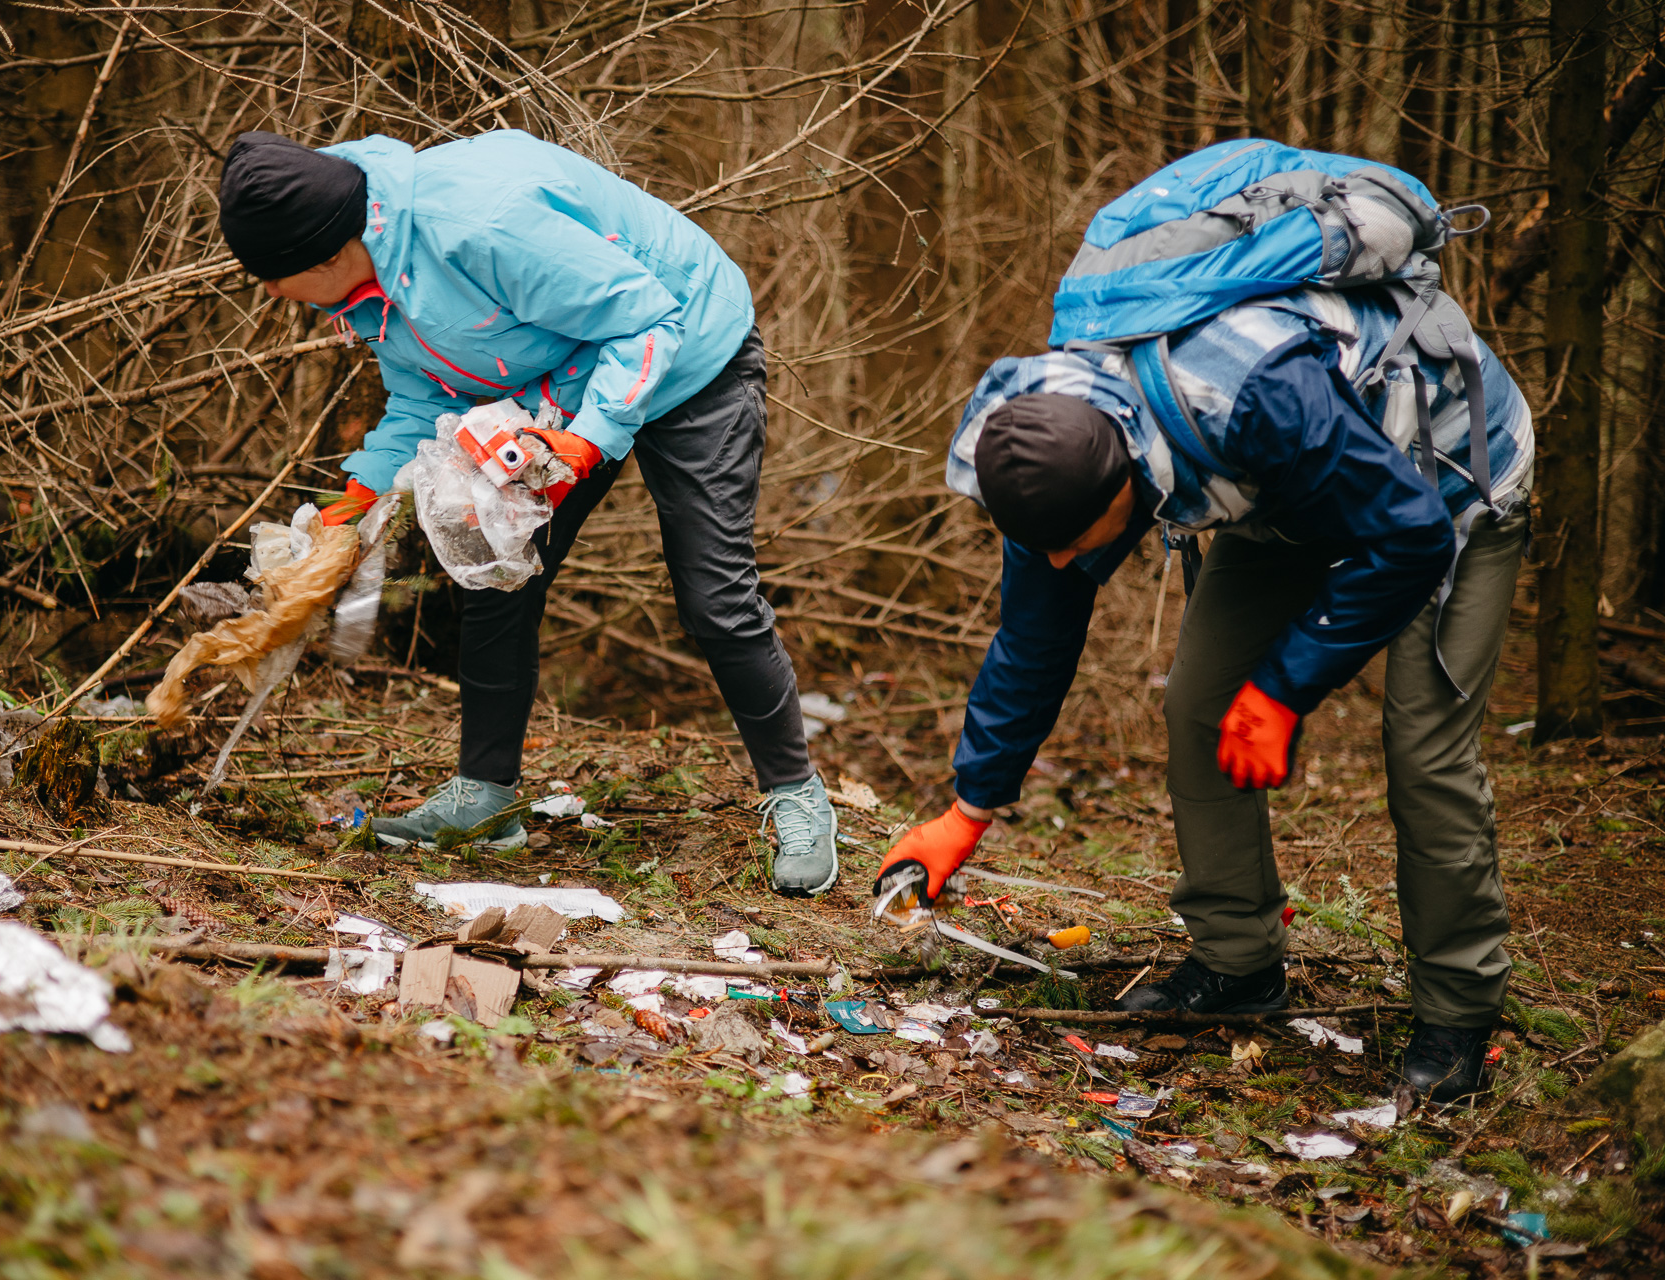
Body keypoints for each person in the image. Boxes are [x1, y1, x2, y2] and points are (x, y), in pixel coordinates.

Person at [877, 287, 1531, 1104]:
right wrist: (967, 811)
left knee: (1423, 750)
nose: (1056, 563)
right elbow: (1034, 640)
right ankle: (1239, 961)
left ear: (1126, 485)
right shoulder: (1042, 453)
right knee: (1199, 703)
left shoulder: (1258, 400)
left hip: (1443, 478)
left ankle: (1460, 1013)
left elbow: (1408, 536)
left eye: (1074, 544)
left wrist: (1283, 690)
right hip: (1282, 495)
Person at [215, 128, 838, 896]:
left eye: (273, 279)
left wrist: (586, 444)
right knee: (492, 566)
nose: (272, 295)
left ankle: (796, 794)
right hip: (555, 385)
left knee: (713, 594)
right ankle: (484, 799)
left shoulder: (481, 226)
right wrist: (362, 493)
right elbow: (425, 393)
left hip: (686, 354)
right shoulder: (368, 272)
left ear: (325, 255)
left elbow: (648, 322)